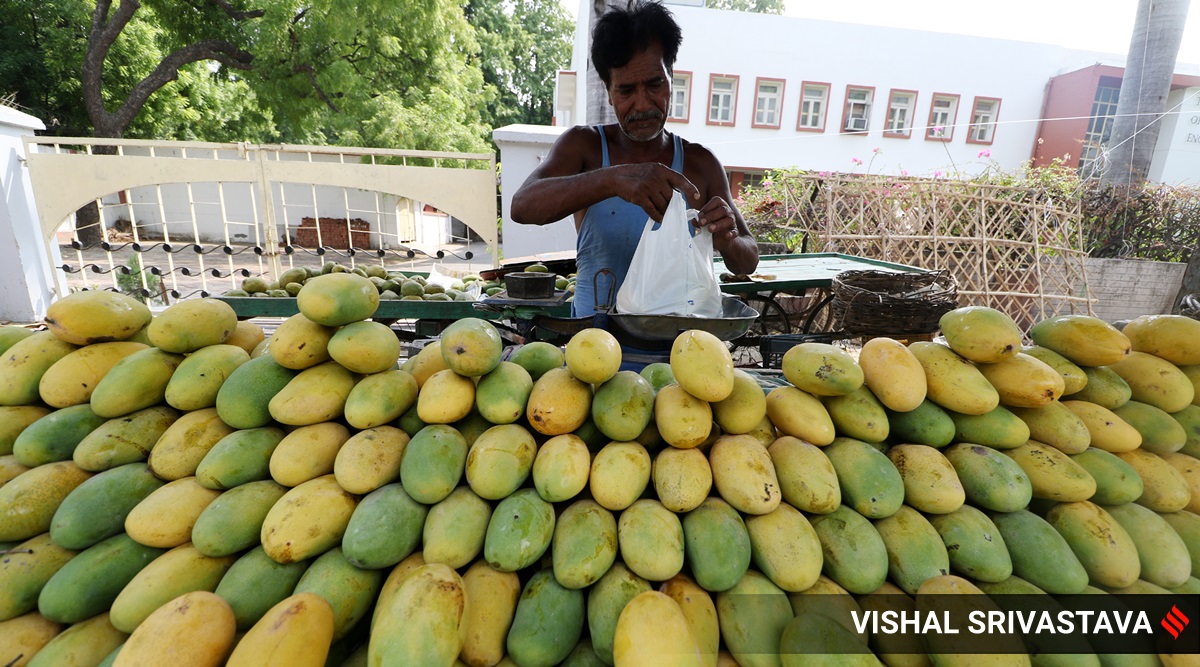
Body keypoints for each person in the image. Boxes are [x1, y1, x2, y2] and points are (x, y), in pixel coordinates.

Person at [510, 0, 759, 320]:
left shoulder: (701, 163)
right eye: (626, 90)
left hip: (680, 357)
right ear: (608, 90)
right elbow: (522, 206)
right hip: (593, 355)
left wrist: (727, 239)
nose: (643, 104)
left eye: (655, 84)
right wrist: (612, 179)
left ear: (672, 75)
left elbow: (747, 260)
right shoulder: (583, 146)